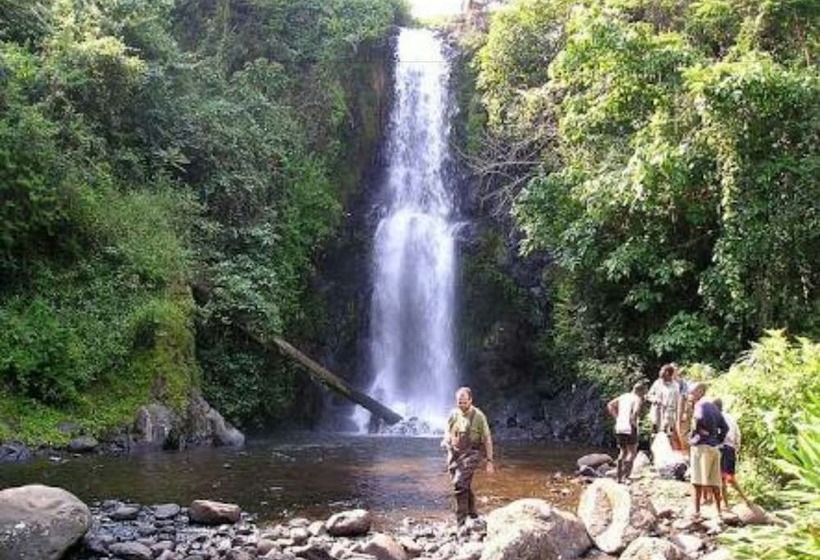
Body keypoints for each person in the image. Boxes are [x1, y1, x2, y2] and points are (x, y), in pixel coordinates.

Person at [441, 387, 495, 525]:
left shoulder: (479, 416)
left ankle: (461, 522)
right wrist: (446, 440)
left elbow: (487, 438)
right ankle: (473, 514)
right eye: (459, 402)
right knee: (463, 485)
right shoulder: (453, 414)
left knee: (459, 484)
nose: (462, 405)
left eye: (465, 402)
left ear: (471, 400)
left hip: (472, 453)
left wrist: (489, 461)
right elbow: (447, 430)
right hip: (454, 452)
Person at [687, 382, 729, 520]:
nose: (690, 395)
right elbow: (725, 427)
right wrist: (717, 439)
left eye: (692, 392)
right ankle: (718, 512)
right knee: (715, 481)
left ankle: (696, 511)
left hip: (701, 447)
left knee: (697, 481)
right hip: (714, 447)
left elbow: (698, 419)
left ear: (700, 391)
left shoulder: (700, 404)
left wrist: (697, 433)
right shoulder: (713, 406)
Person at [607, 381, 648, 483]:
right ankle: (627, 477)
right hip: (630, 427)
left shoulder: (623, 396)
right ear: (640, 391)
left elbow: (610, 405)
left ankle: (619, 477)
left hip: (619, 426)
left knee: (623, 452)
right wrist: (633, 422)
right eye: (644, 392)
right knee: (632, 452)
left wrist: (617, 417)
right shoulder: (637, 399)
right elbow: (635, 411)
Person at [713, 397, 751, 509]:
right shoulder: (730, 418)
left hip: (722, 448)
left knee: (722, 478)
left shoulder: (716, 418)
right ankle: (745, 499)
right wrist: (736, 448)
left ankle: (726, 504)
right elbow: (738, 434)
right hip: (731, 449)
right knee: (729, 477)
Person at [647, 364, 682, 449]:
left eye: (663, 371)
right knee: (654, 434)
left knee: (668, 435)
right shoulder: (657, 383)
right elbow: (648, 395)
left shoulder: (676, 386)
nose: (660, 373)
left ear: (668, 373)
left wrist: (678, 416)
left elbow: (678, 402)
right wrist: (654, 399)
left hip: (669, 414)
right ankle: (653, 454)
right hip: (657, 413)